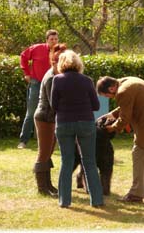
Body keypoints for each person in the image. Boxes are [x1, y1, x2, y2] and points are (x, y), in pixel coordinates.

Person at [96, 76, 144, 203]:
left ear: (111, 88)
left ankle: (136, 194)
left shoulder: (123, 91)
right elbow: (128, 105)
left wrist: (111, 128)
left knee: (139, 154)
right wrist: (113, 114)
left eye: (107, 95)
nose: (109, 98)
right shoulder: (127, 81)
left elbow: (125, 118)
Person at [51, 50, 104, 208]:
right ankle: (96, 200)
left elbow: (54, 105)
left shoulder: (57, 80)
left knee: (66, 161)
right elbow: (96, 105)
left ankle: (64, 201)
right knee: (89, 161)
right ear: (78, 63)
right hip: (85, 122)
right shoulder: (87, 80)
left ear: (61, 63)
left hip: (64, 122)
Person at [32, 43, 67, 198]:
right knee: (44, 153)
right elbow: (54, 103)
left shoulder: (56, 74)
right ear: (54, 60)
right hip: (45, 118)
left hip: (50, 118)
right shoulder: (52, 78)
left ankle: (48, 185)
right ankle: (42, 187)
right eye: (62, 59)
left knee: (49, 152)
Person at [17, 29, 59, 149]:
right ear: (47, 40)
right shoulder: (36, 48)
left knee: (55, 111)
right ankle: (23, 141)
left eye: (56, 39)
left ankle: (55, 141)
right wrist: (26, 73)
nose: (54, 41)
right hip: (36, 82)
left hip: (53, 83)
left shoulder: (60, 51)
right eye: (51, 39)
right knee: (31, 112)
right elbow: (23, 56)